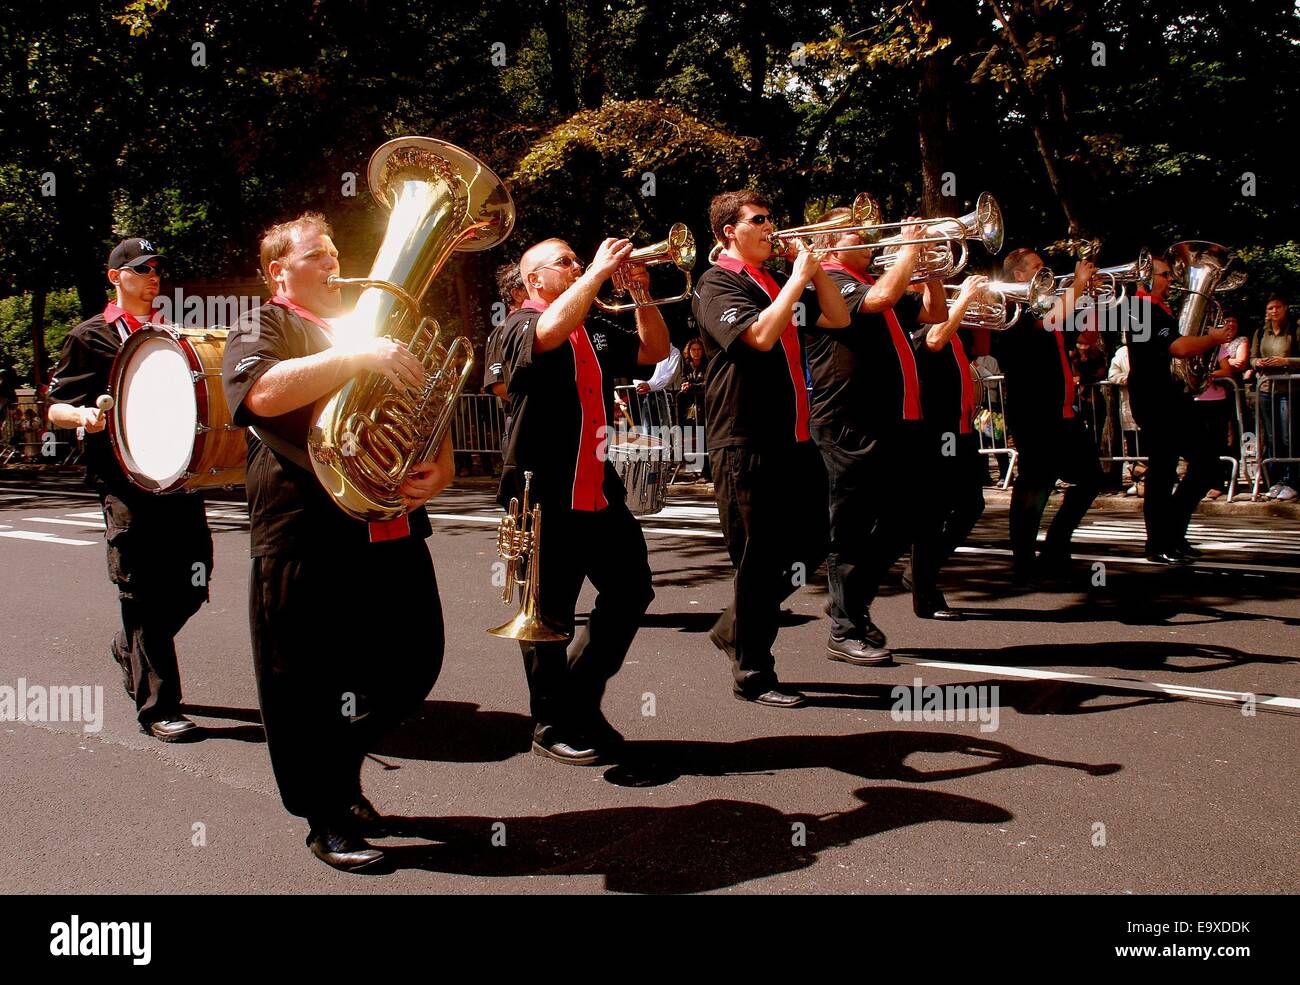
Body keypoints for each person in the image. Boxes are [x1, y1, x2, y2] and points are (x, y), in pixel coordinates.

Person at [222, 212, 453, 873]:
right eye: (316, 255)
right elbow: (260, 392)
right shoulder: (263, 324)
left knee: (414, 660)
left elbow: (425, 403)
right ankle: (327, 814)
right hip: (304, 527)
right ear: (279, 272)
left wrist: (441, 465)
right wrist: (352, 356)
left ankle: (338, 771)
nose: (333, 262)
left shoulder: (370, 325)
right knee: (305, 681)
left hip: (386, 523)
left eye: (333, 251)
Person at [496, 235, 669, 763]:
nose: (575, 267)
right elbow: (547, 334)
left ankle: (579, 697)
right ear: (534, 280)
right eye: (565, 262)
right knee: (548, 615)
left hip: (597, 487)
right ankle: (550, 724)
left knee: (633, 590)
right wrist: (595, 272)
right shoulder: (518, 325)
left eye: (577, 260)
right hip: (541, 491)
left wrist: (640, 294)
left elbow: (654, 352)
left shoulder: (592, 324)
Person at [47, 237, 212, 743]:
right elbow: (55, 407)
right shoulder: (89, 336)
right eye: (141, 270)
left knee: (191, 584)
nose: (152, 276)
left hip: (176, 478)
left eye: (157, 269)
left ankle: (128, 647)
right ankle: (159, 707)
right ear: (115, 276)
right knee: (140, 590)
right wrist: (85, 416)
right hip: (122, 480)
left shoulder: (170, 335)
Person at [691, 190, 849, 707]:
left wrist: (817, 267)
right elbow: (758, 335)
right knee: (758, 560)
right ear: (726, 233)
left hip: (794, 436)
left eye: (771, 217)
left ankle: (734, 626)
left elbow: (837, 318)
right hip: (745, 437)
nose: (769, 227)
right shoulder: (717, 283)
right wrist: (798, 279)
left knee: (811, 543)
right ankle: (753, 671)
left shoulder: (775, 282)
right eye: (757, 220)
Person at [803, 206, 952, 665]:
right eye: (855, 232)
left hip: (892, 419)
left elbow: (935, 313)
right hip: (849, 419)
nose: (868, 236)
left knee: (910, 518)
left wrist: (928, 269)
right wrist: (909, 245)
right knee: (850, 528)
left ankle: (850, 603)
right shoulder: (825, 279)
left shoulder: (869, 280)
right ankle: (845, 627)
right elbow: (881, 302)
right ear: (828, 244)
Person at [993, 248, 1104, 585]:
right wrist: (1079, 285)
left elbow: (1089, 335)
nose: (1048, 273)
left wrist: (1089, 297)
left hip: (1064, 413)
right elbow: (1048, 323)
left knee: (1091, 479)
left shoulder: (1050, 305)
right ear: (1019, 276)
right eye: (1038, 268)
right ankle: (1023, 561)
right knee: (1034, 485)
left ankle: (1055, 545)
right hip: (1033, 413)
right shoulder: (1011, 309)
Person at [1125, 254, 1231, 563]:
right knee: (1164, 472)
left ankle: (1171, 534)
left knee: (1205, 464)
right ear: (1146, 277)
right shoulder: (1139, 309)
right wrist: (1212, 338)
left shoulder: (1158, 309)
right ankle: (1160, 542)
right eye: (1164, 275)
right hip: (1154, 399)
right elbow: (1179, 348)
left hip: (1170, 396)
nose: (1171, 280)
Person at [906, 277, 991, 617]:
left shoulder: (944, 313)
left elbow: (975, 351)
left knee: (970, 504)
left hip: (959, 428)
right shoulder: (908, 315)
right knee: (934, 511)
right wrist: (965, 300)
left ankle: (921, 573)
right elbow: (934, 340)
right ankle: (924, 593)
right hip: (935, 429)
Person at [1250, 297, 1300, 500]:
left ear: (1286, 307)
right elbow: (1252, 358)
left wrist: (1285, 361)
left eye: (1278, 306)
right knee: (1271, 437)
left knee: (1289, 437)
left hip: (1288, 389)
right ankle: (1276, 480)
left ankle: (1293, 480)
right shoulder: (1261, 331)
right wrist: (1259, 362)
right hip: (1266, 388)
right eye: (1270, 307)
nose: (1274, 311)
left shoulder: (1295, 330)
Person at [1194, 315, 1248, 499]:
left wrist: (1208, 375)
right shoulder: (1190, 345)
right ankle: (1201, 481)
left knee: (1217, 443)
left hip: (1215, 400)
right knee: (1199, 444)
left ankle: (1218, 482)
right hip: (1195, 400)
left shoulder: (1218, 347)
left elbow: (1226, 370)